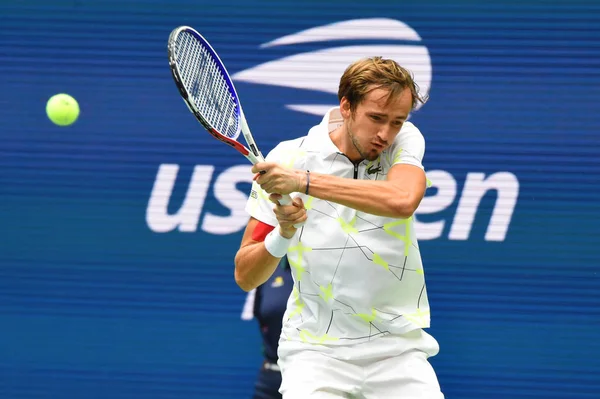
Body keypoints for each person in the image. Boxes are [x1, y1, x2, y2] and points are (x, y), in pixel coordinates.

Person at [235, 56, 444, 399]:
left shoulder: (403, 142)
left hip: (397, 350)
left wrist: (301, 182)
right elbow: (246, 275)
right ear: (346, 106)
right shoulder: (290, 157)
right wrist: (283, 233)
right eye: (376, 118)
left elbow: (403, 200)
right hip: (315, 353)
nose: (385, 134)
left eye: (396, 121)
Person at [241, 256, 293, 399]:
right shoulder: (269, 267)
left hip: (317, 378)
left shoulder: (333, 266)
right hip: (270, 379)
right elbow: (262, 316)